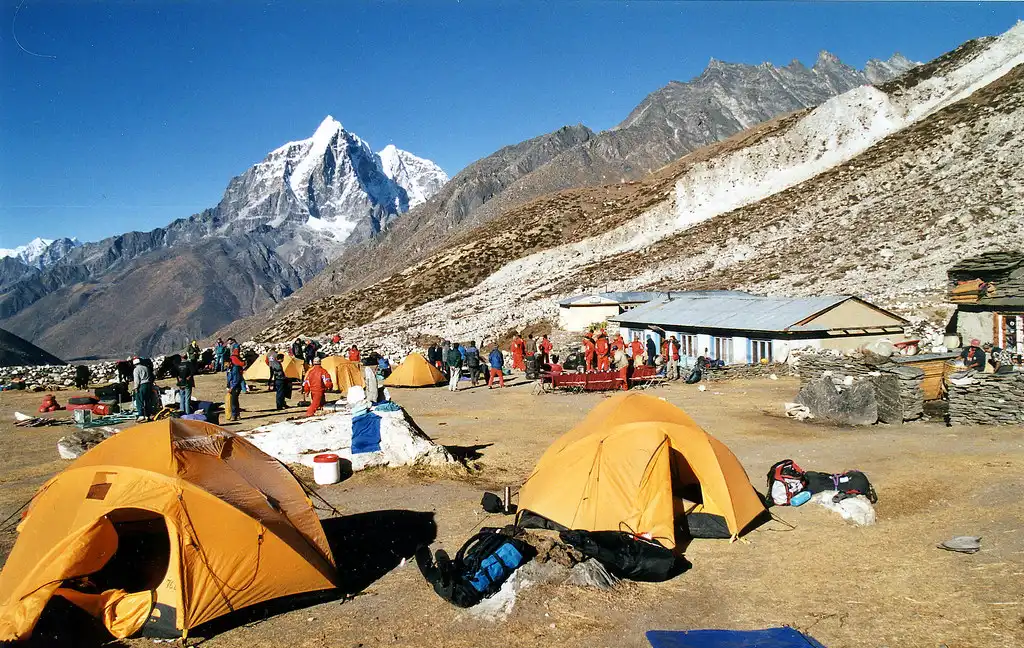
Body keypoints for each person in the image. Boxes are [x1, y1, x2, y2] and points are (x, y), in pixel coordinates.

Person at [225, 357, 243, 422]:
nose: (225, 365)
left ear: (230, 362)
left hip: (236, 387)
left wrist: (232, 387)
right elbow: (228, 378)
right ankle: (237, 414)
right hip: (231, 387)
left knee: (233, 401)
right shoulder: (228, 369)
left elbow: (236, 379)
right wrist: (227, 386)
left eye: (226, 363)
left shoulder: (235, 369)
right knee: (234, 401)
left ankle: (234, 414)